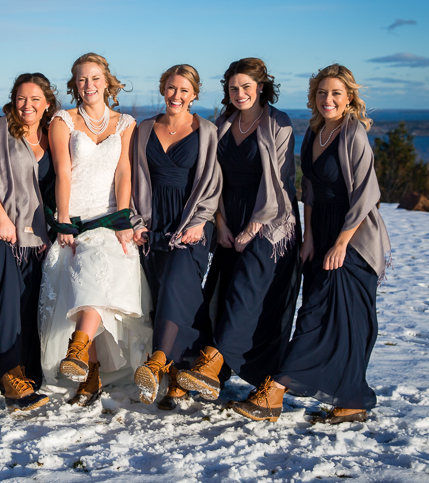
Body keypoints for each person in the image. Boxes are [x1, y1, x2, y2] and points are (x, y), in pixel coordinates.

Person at [231, 64, 391, 424]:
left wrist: (341, 244)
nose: (328, 99)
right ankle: (351, 399)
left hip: (354, 236)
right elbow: (310, 190)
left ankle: (276, 391)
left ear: (349, 96)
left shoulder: (353, 133)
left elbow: (367, 196)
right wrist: (310, 238)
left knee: (325, 315)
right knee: (330, 317)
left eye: (335, 93)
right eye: (321, 93)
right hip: (321, 233)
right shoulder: (316, 132)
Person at [176, 58, 302, 402]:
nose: (240, 93)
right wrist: (221, 223)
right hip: (229, 221)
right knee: (222, 293)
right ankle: (212, 371)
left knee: (248, 295)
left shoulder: (279, 124)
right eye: (233, 88)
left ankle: (212, 363)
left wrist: (254, 227)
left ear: (261, 87)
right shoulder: (222, 124)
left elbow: (278, 183)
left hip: (272, 223)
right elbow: (211, 180)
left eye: (246, 86)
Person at [38, 53, 152, 407]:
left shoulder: (125, 124)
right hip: (76, 219)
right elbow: (64, 172)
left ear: (107, 82)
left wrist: (122, 220)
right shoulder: (63, 121)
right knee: (85, 267)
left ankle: (84, 355)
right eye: (81, 79)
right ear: (75, 84)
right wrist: (64, 220)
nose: (89, 85)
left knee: (110, 264)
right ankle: (85, 362)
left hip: (111, 218)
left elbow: (123, 173)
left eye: (95, 78)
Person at [129, 64, 221, 410]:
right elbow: (135, 180)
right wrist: (138, 223)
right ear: (161, 89)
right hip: (153, 226)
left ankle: (156, 362)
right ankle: (176, 380)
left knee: (178, 280)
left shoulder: (207, 131)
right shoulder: (143, 129)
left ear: (194, 94)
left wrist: (198, 223)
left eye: (184, 90)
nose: (176, 96)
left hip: (192, 225)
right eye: (170, 88)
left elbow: (212, 183)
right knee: (168, 294)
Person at [0, 73, 59, 411]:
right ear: (13, 100)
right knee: (3, 304)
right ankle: (8, 376)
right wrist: (3, 220)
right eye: (22, 98)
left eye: (35, 99)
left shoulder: (54, 137)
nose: (27, 105)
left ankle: (21, 371)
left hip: (36, 237)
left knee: (26, 307)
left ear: (47, 103)